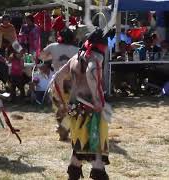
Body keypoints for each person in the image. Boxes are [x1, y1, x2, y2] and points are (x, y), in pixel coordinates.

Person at [54, 28, 110, 179]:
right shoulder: (95, 57)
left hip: (74, 109)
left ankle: (73, 176)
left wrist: (62, 101)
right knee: (96, 149)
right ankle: (99, 174)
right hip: (90, 109)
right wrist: (97, 100)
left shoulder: (74, 58)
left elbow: (57, 77)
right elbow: (91, 72)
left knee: (79, 147)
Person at [40, 28, 79, 141]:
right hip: (72, 84)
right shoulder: (77, 50)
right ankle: (65, 128)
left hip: (58, 83)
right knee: (71, 108)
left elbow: (41, 56)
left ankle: (63, 130)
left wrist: (52, 56)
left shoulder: (53, 47)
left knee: (61, 107)